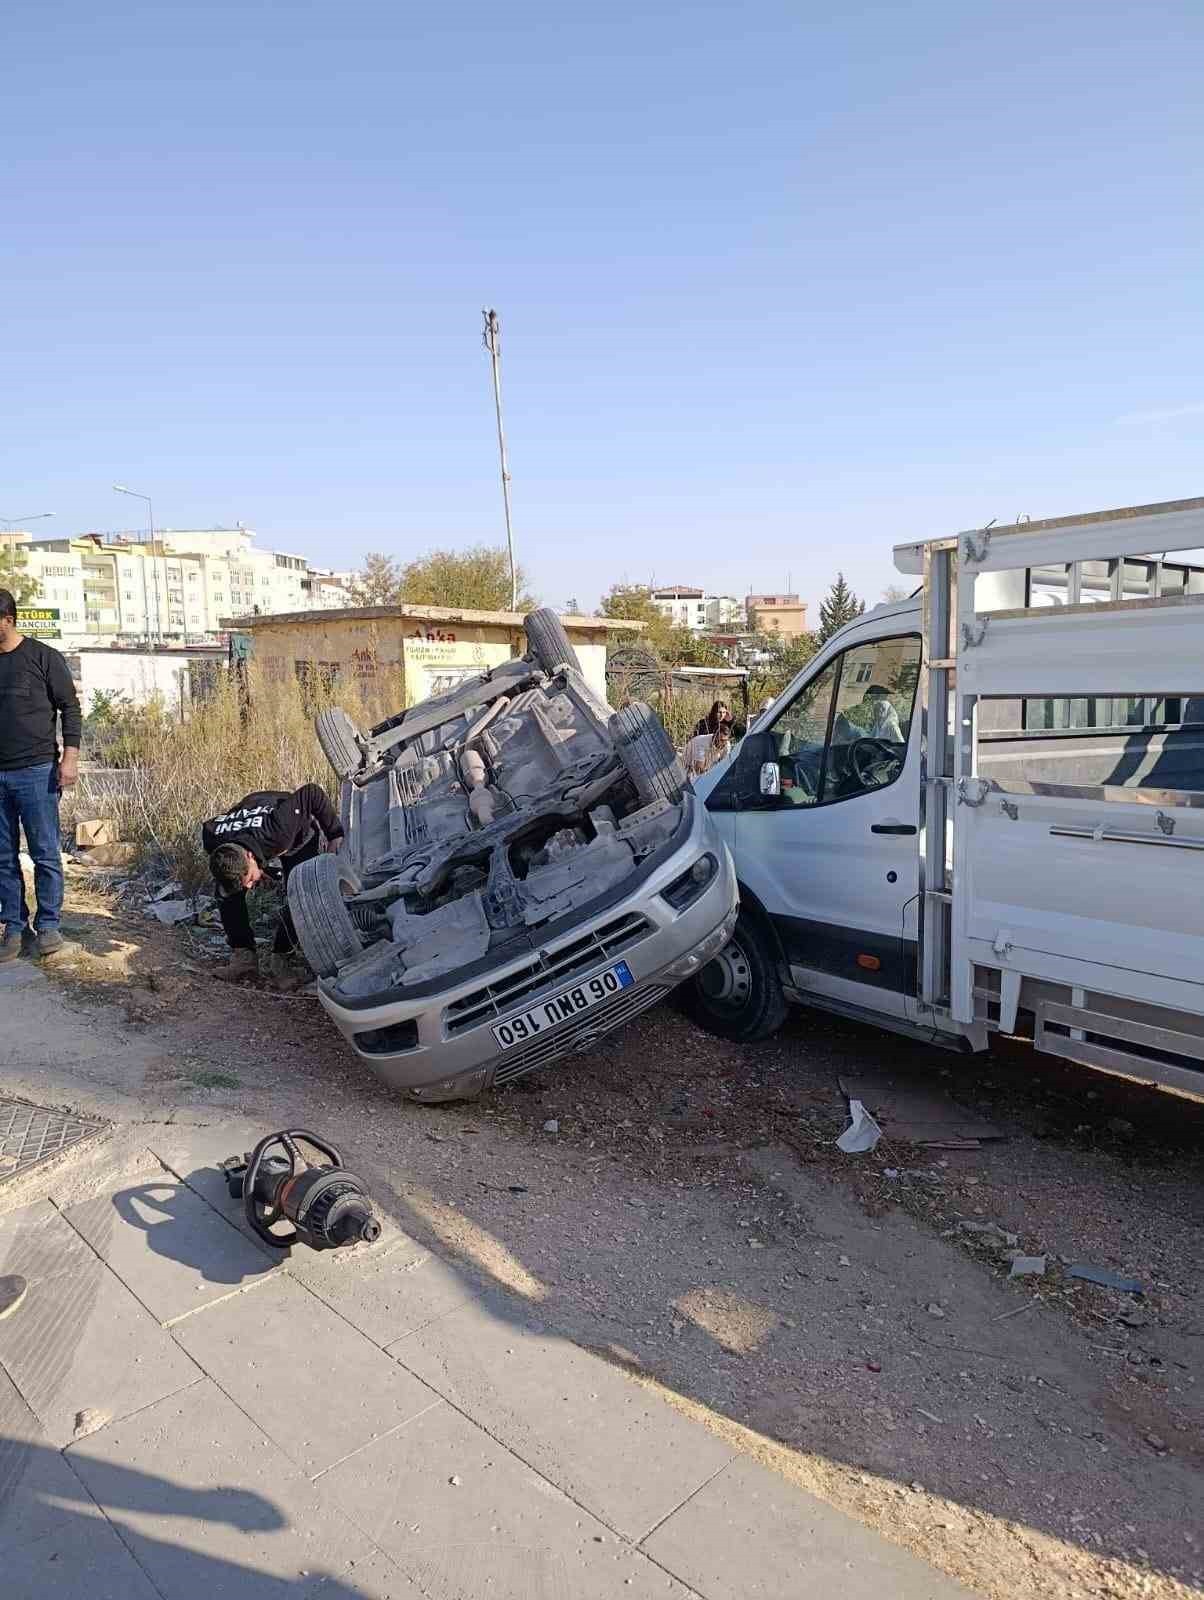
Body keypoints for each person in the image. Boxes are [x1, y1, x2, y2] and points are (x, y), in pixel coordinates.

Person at [0, 588, 81, 962]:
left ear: (8, 620)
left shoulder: (43, 658)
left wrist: (70, 759)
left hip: (37, 771)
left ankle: (48, 925)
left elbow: (70, 709)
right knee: (2, 856)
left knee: (45, 851)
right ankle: (15, 928)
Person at [202, 784, 344, 989]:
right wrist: (262, 871)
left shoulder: (278, 829)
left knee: (301, 894)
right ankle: (244, 958)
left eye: (250, 878)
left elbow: (311, 792)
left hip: (296, 835)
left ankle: (281, 959)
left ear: (250, 856)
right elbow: (228, 858)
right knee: (226, 892)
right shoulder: (212, 836)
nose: (250, 886)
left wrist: (334, 833)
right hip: (250, 821)